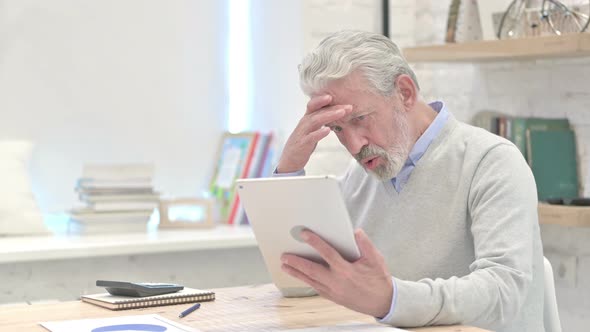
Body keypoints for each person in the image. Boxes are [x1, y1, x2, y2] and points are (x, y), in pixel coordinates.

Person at [275, 30, 544, 332]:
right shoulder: (361, 177)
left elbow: (504, 294)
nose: (353, 145)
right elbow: (304, 281)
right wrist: (290, 168)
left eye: (359, 119)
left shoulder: (491, 161)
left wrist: (391, 300)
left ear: (404, 92)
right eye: (336, 129)